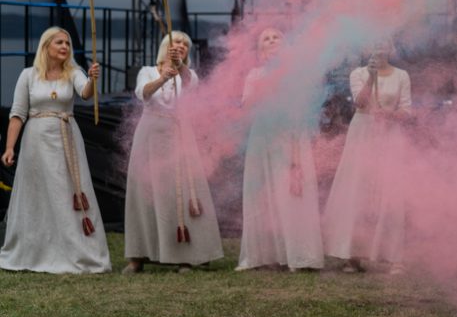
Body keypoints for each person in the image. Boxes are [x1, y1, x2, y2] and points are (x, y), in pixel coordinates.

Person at [0, 26, 111, 273]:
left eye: (68, 44)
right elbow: (17, 114)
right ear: (46, 46)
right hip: (35, 142)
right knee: (37, 193)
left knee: (67, 191)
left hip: (66, 140)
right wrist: (9, 147)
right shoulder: (28, 75)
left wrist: (93, 79)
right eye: (59, 42)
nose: (64, 47)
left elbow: (85, 93)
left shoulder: (73, 72)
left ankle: (74, 250)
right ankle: (34, 251)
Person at [123, 31, 223, 274]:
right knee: (145, 190)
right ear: (165, 46)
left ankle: (186, 256)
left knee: (183, 190)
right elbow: (143, 94)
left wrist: (179, 69)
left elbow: (190, 86)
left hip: (179, 134)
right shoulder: (147, 70)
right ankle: (139, 255)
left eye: (185, 44)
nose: (181, 46)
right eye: (176, 42)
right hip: (150, 135)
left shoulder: (189, 75)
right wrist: (161, 78)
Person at [237, 28, 324, 271]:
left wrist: (296, 156)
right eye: (266, 38)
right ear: (260, 49)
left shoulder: (296, 74)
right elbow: (246, 109)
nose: (272, 40)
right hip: (262, 136)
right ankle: (266, 254)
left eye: (277, 36)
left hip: (290, 137)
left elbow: (302, 112)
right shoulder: (254, 75)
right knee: (263, 193)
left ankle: (299, 254)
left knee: (292, 191)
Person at [322, 41, 412, 275]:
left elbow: (407, 111)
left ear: (391, 48)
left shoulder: (402, 75)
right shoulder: (358, 73)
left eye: (384, 43)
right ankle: (353, 255)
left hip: (389, 134)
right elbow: (360, 103)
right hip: (362, 133)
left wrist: (390, 115)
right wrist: (371, 78)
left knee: (390, 192)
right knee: (358, 191)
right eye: (374, 44)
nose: (379, 48)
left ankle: (394, 257)